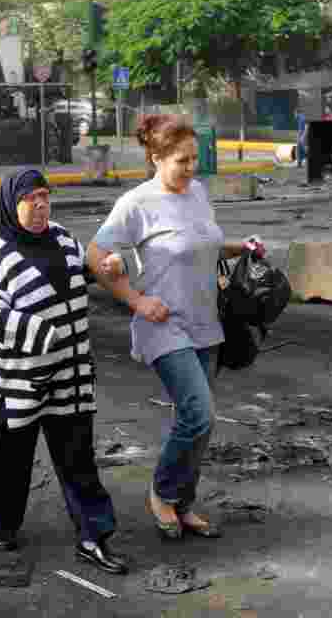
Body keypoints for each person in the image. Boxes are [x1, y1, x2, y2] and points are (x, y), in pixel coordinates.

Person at [86, 114, 265, 542]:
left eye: (194, 159)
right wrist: (136, 300)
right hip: (163, 325)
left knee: (198, 420)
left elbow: (200, 243)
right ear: (155, 157)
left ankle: (183, 503)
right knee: (198, 412)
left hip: (206, 323)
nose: (191, 169)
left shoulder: (198, 193)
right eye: (182, 161)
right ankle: (163, 493)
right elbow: (96, 254)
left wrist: (242, 246)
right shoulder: (137, 203)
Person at [0, 169, 128, 575]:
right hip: (21, 380)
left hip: (71, 376)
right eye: (31, 199)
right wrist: (43, 335)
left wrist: (106, 267)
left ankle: (95, 535)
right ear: (12, 203)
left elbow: (83, 269)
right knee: (12, 456)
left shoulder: (61, 237)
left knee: (78, 458)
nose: (40, 205)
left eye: (45, 196)